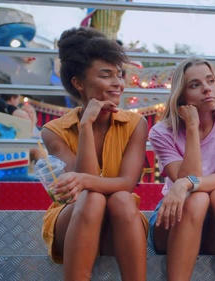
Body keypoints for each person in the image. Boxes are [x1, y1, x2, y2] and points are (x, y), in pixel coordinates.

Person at [40, 27, 148, 281]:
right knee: (92, 200)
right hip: (71, 223)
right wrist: (86, 126)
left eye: (119, 75)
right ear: (79, 83)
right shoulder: (54, 131)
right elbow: (79, 195)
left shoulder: (136, 124)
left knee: (122, 199)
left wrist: (86, 181)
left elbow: (126, 183)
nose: (118, 83)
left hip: (121, 221)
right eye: (106, 75)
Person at [148, 57, 215, 281]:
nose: (207, 89)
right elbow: (185, 180)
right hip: (173, 221)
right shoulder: (161, 132)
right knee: (197, 199)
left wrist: (186, 183)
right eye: (195, 85)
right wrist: (192, 127)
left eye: (211, 81)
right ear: (181, 94)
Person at [0, 93, 43, 162]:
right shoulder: (15, 114)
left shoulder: (42, 132)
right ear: (12, 99)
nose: (29, 114)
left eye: (31, 112)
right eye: (26, 112)